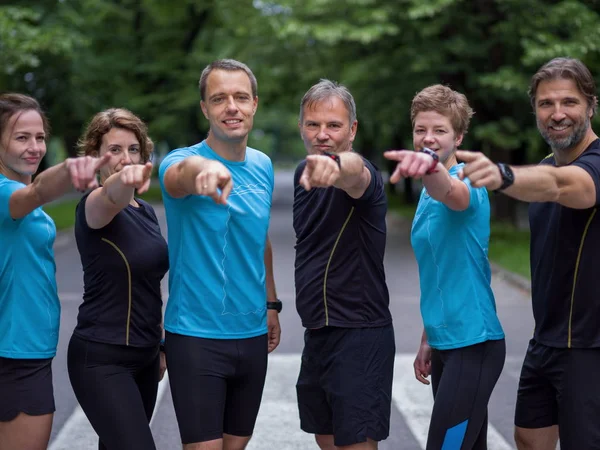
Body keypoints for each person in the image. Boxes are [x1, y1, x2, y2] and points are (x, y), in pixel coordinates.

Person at [457, 57, 600, 450]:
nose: (557, 114)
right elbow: (547, 179)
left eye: (569, 102)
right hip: (546, 341)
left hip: (588, 346)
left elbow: (564, 185)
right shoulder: (542, 167)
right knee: (528, 439)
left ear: (591, 105)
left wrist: (503, 174)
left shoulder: (595, 164)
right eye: (545, 104)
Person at [158, 58, 281, 450]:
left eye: (241, 97)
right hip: (196, 338)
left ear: (255, 104)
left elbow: (259, 238)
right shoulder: (177, 162)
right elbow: (181, 177)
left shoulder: (262, 165)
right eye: (219, 98)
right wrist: (203, 171)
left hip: (252, 336)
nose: (232, 107)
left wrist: (272, 304)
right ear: (205, 109)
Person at [384, 84, 506, 450]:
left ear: (459, 135)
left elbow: (451, 193)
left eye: (439, 130)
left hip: (475, 344)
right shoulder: (424, 191)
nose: (428, 137)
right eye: (421, 129)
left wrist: (431, 167)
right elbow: (441, 271)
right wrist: (428, 338)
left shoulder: (469, 179)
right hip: (446, 343)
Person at [0, 93, 108, 450]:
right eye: (21, 137)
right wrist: (70, 168)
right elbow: (40, 191)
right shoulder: (6, 195)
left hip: (24, 349)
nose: (34, 147)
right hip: (15, 354)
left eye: (40, 137)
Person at [293, 79, 394, 450]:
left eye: (334, 125)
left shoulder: (360, 174)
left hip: (360, 334)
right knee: (326, 439)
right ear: (301, 127)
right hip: (318, 332)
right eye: (313, 124)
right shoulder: (303, 173)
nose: (322, 134)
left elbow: (355, 172)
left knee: (356, 444)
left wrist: (337, 164)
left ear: (352, 129)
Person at [66, 108, 169, 450]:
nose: (126, 159)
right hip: (100, 357)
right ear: (95, 156)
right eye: (114, 150)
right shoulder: (94, 206)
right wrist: (124, 180)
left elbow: (150, 285)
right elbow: (114, 194)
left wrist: (161, 345)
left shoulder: (147, 212)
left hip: (146, 356)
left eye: (134, 149)